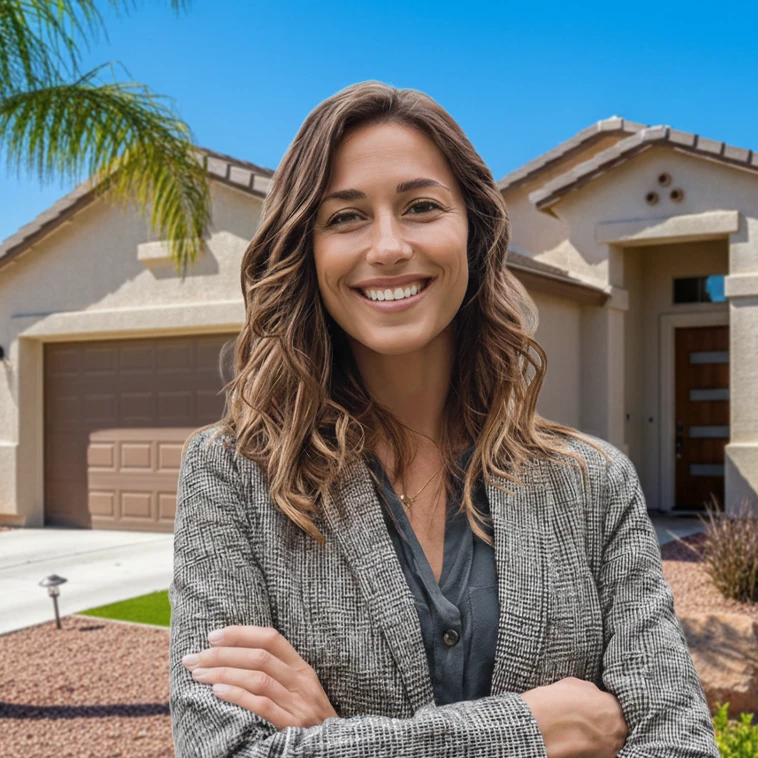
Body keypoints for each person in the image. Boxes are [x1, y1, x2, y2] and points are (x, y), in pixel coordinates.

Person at [168, 81, 719, 758]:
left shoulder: (594, 486)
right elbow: (222, 750)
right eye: (345, 217)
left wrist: (329, 739)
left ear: (474, 231)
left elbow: (679, 744)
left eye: (421, 207)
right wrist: (537, 732)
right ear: (307, 252)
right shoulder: (233, 476)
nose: (390, 245)